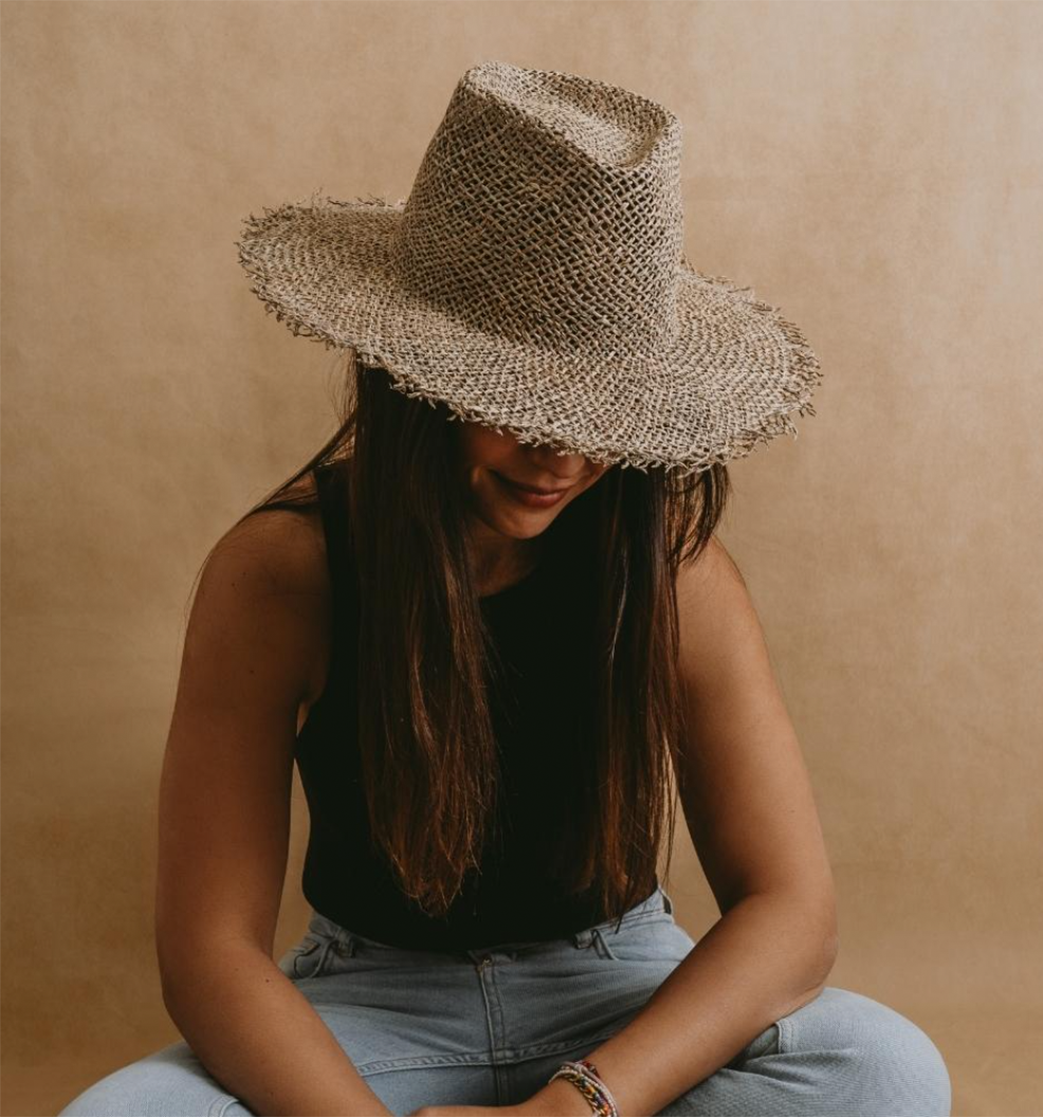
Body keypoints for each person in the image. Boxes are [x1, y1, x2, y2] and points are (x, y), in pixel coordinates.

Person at [58, 61, 951, 1117]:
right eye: (511, 398)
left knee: (884, 1070)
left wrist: (579, 1106)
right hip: (369, 1011)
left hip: (618, 997)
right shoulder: (281, 572)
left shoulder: (673, 572)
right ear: (415, 381)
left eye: (593, 408)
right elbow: (210, 951)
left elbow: (793, 910)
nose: (558, 452)